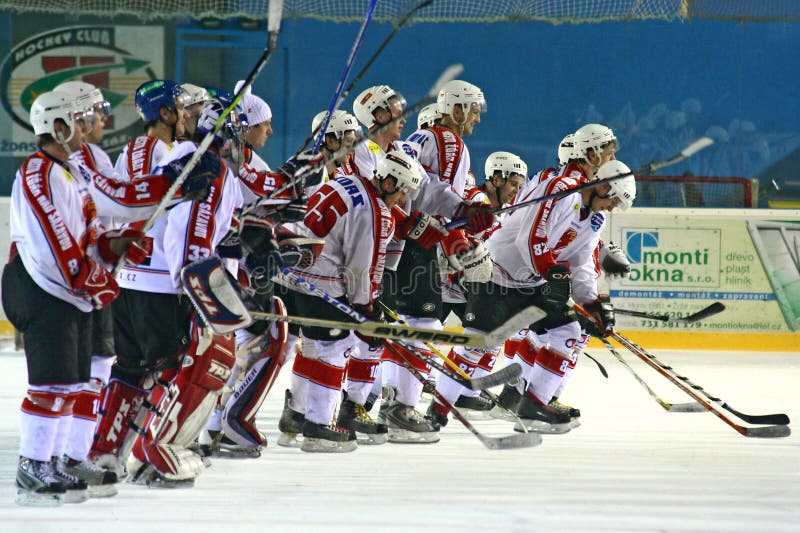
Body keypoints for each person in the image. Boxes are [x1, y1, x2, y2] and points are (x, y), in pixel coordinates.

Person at [2, 91, 147, 506]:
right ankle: (32, 465)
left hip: (69, 290)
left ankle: (57, 460)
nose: (86, 128)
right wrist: (87, 275)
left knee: (71, 384)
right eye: (78, 121)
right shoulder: (36, 172)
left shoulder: (71, 171)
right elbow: (54, 237)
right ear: (57, 127)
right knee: (50, 384)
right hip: (43, 288)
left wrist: (115, 245)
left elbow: (88, 231)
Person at [90, 98, 241, 487]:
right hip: (162, 285)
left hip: (132, 280)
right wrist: (194, 284)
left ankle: (105, 454)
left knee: (129, 368)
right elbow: (190, 230)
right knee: (177, 366)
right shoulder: (207, 166)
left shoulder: (178, 155)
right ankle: (152, 453)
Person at [375, 79, 494, 442]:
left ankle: (390, 400)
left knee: (407, 323)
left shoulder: (420, 138)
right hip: (416, 241)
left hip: (397, 238)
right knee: (422, 321)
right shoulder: (449, 141)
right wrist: (463, 213)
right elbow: (429, 191)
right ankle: (402, 411)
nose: (476, 117)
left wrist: (461, 225)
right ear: (456, 108)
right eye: (473, 109)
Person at [283, 149, 422, 452]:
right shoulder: (373, 210)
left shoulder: (345, 183)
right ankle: (318, 428)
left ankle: (295, 415)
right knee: (337, 348)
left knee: (312, 346)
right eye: (402, 191)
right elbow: (362, 267)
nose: (402, 200)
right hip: (321, 283)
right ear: (388, 182)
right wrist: (366, 309)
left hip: (293, 278)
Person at [431, 151, 527, 423]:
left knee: (491, 335)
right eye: (512, 184)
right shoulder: (477, 201)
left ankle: (463, 391)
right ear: (495, 178)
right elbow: (452, 232)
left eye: (520, 186)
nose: (515, 191)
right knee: (420, 336)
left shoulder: (503, 209)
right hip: (447, 282)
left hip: (466, 286)